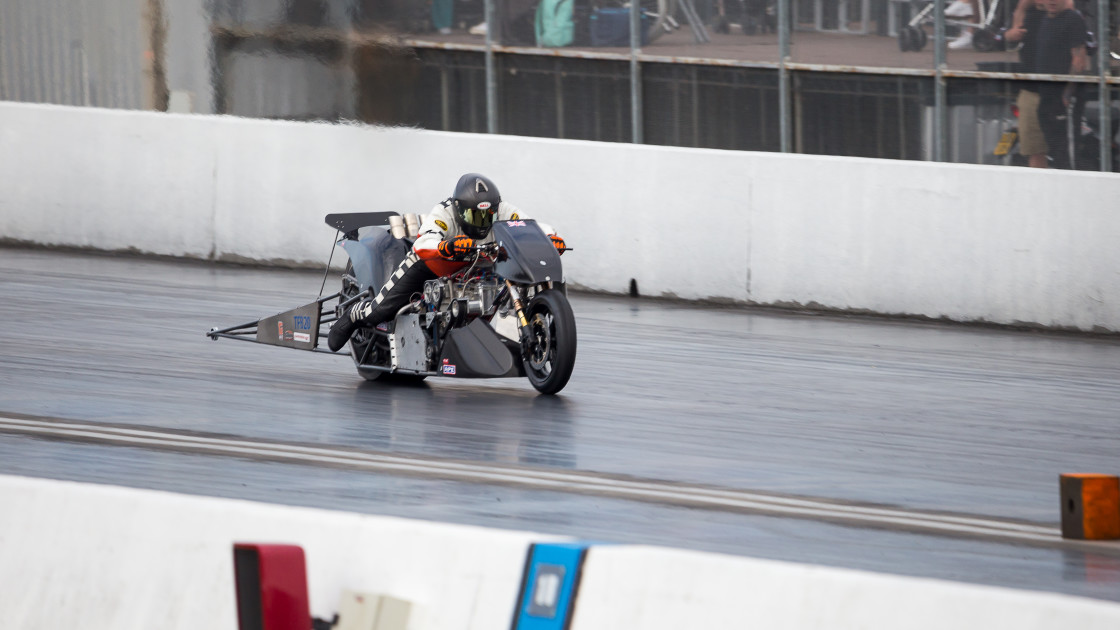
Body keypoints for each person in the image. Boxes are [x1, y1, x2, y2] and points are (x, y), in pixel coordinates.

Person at [327, 173, 566, 352]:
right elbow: (423, 242)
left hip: (480, 264)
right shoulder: (445, 211)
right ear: (460, 210)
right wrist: (447, 246)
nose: (483, 221)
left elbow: (528, 225)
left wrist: (550, 237)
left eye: (488, 214)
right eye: (476, 215)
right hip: (432, 265)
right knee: (381, 310)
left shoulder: (502, 208)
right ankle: (352, 316)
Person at [1007, 0, 1088, 168]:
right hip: (1044, 96)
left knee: (1066, 154)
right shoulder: (1044, 20)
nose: (1052, 1)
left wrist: (1067, 95)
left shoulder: (1072, 19)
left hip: (1061, 98)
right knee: (1043, 150)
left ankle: (1069, 189)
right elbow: (1005, 36)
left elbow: (1079, 60)